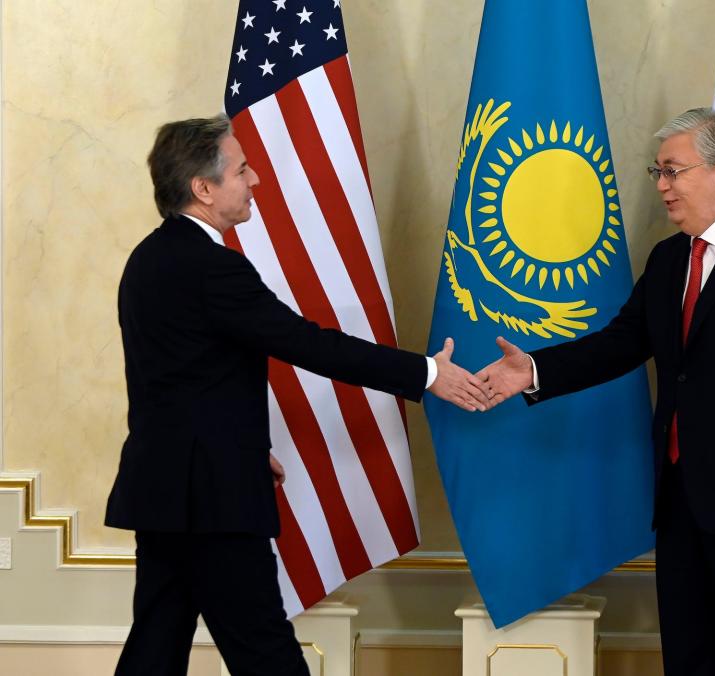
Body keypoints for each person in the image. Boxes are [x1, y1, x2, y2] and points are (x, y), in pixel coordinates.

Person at [105, 114, 488, 676]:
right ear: (203, 188)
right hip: (214, 500)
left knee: (156, 645)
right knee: (266, 654)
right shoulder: (212, 268)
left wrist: (238, 445)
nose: (255, 179)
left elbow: (177, 382)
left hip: (163, 489)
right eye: (241, 169)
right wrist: (426, 375)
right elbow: (308, 344)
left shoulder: (147, 258)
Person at [477, 108, 715, 675]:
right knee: (690, 662)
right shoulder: (671, 257)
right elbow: (623, 342)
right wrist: (532, 371)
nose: (662, 186)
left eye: (673, 171)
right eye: (658, 172)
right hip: (680, 502)